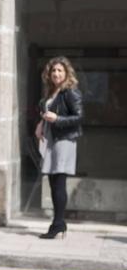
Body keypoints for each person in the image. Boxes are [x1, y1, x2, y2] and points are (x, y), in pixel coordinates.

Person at [34, 56, 82, 240]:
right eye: (54, 70)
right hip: (51, 139)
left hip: (64, 140)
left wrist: (58, 119)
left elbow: (78, 117)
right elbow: (45, 113)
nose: (56, 73)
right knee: (53, 183)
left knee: (59, 182)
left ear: (66, 73)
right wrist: (40, 123)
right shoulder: (51, 92)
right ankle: (58, 224)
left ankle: (58, 224)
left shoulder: (71, 93)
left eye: (60, 70)